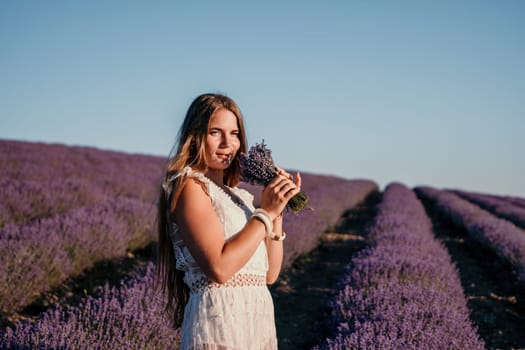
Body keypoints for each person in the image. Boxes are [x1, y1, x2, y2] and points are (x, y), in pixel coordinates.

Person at [156, 93, 301, 349]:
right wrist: (264, 213)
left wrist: (276, 212)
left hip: (256, 321)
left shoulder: (241, 196)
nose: (227, 143)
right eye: (215, 132)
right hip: (218, 324)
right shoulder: (190, 186)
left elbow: (268, 275)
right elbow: (220, 269)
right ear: (196, 135)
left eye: (234, 134)